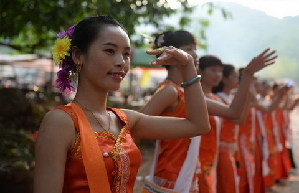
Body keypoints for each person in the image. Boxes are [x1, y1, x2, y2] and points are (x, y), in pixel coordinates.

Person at [33, 16, 211, 193]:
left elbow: (198, 125)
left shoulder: (125, 120)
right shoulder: (61, 122)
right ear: (79, 56)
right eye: (110, 51)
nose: (121, 62)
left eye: (126, 54)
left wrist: (188, 66)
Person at [141, 30, 277, 193]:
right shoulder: (170, 91)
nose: (195, 54)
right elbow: (136, 125)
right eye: (189, 49)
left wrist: (247, 75)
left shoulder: (186, 93)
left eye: (194, 49)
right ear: (170, 53)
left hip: (188, 171)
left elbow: (233, 113)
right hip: (171, 173)